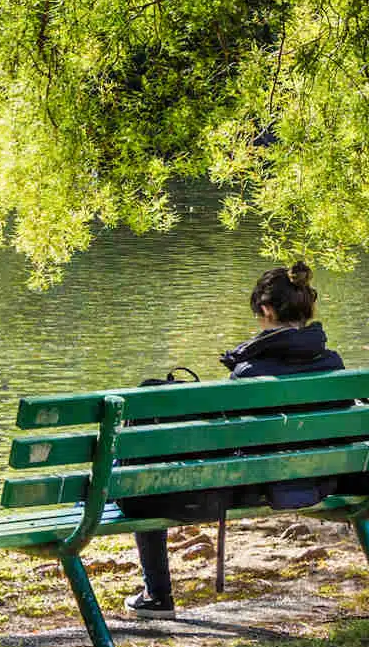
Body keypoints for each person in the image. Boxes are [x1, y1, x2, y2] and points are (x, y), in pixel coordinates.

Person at [122, 261, 344, 619]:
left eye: (260, 315)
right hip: (319, 479)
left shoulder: (251, 371)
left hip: (250, 487)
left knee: (141, 478)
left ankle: (157, 594)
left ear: (267, 310)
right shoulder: (333, 365)